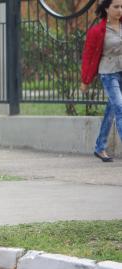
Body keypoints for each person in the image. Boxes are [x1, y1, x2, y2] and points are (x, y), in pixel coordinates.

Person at [81, 0, 122, 162]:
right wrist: (85, 79)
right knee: (120, 107)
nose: (120, 10)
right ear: (106, 8)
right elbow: (88, 56)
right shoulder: (97, 31)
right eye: (116, 7)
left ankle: (100, 147)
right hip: (108, 73)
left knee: (112, 110)